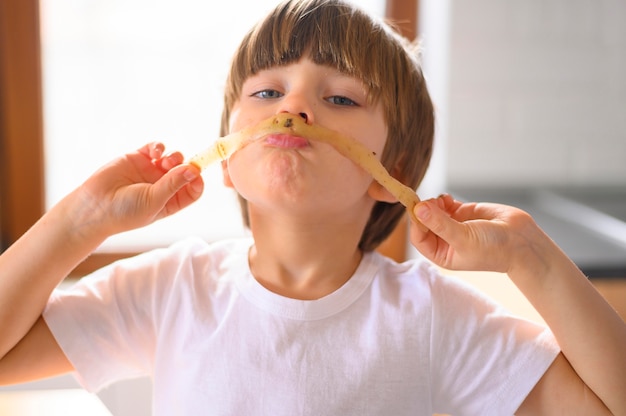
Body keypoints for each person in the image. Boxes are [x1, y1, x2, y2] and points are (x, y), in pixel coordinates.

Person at [1, 0, 625, 414]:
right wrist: (78, 222)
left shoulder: (433, 316)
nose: (293, 107)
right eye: (268, 90)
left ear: (392, 174)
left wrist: (532, 258)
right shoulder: (170, 289)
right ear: (227, 160)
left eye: (342, 99)